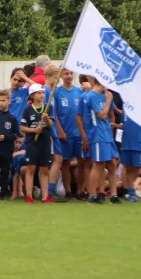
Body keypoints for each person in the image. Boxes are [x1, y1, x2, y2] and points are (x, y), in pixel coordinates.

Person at [20, 84, 58, 204]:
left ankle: (45, 196)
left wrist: (46, 119)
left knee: (44, 169)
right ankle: (29, 195)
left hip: (45, 142)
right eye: (39, 93)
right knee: (31, 168)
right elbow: (22, 128)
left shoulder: (48, 108)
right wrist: (33, 130)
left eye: (43, 93)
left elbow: (50, 125)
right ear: (32, 95)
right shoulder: (27, 110)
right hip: (32, 142)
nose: (41, 95)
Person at [83, 76, 117, 204]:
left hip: (107, 134)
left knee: (112, 164)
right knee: (98, 164)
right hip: (97, 134)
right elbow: (102, 115)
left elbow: (111, 115)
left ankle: (113, 195)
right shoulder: (91, 96)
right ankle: (92, 195)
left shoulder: (106, 95)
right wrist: (108, 101)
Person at [52, 69, 85, 198]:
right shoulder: (57, 92)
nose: (69, 76)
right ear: (60, 76)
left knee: (82, 162)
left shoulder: (79, 92)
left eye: (71, 73)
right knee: (65, 162)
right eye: (66, 73)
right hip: (65, 133)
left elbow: (83, 114)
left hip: (79, 133)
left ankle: (81, 190)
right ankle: (68, 190)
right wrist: (60, 130)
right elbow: (55, 114)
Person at [118, 109, 141, 203]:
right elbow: (124, 125)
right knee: (129, 169)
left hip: (139, 145)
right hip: (126, 144)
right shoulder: (125, 107)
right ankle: (132, 195)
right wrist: (115, 125)